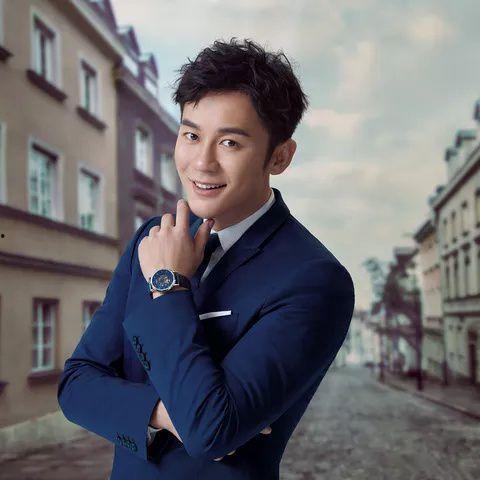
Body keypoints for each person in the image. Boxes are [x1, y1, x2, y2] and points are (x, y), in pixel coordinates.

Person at [57, 37, 355, 480]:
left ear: (280, 156)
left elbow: (210, 432)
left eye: (230, 143)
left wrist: (168, 284)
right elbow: (76, 385)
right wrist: (163, 413)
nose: (202, 163)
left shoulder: (314, 280)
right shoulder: (152, 238)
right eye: (191, 135)